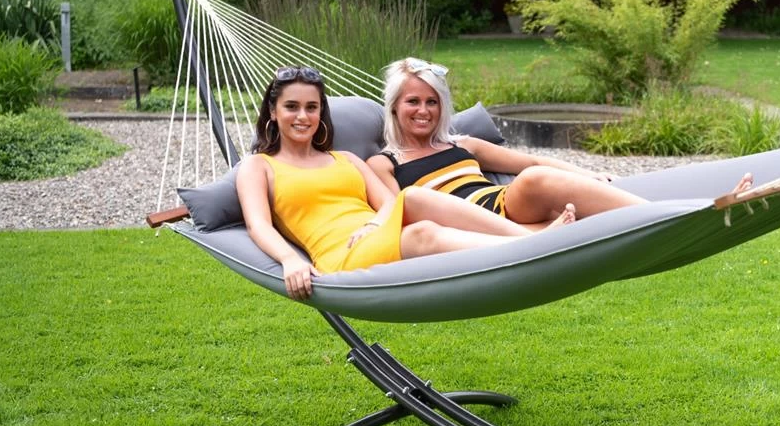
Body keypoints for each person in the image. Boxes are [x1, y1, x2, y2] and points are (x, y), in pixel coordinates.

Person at [236, 66, 574, 301]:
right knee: (417, 217)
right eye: (292, 107)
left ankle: (532, 240)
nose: (303, 116)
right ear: (273, 111)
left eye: (311, 107)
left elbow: (389, 203)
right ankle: (535, 243)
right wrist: (290, 260)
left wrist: (374, 224)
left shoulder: (346, 159)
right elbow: (258, 225)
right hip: (341, 254)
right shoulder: (258, 166)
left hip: (376, 234)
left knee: (417, 216)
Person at [369, 57, 753, 228]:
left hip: (509, 206)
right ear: (394, 106)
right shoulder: (386, 163)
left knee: (553, 187)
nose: (424, 111)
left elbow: (528, 161)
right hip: (482, 221)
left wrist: (586, 174)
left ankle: (694, 208)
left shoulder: (463, 144)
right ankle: (681, 217)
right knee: (536, 180)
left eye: (432, 101)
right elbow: (395, 212)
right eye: (413, 101)